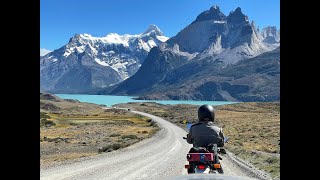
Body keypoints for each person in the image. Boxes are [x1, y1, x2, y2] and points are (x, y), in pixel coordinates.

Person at [186, 104, 225, 173]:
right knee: (219, 169)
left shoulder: (193, 128)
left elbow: (189, 141)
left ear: (200, 115)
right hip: (211, 157)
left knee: (190, 167)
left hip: (196, 156)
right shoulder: (218, 129)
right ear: (212, 115)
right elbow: (222, 144)